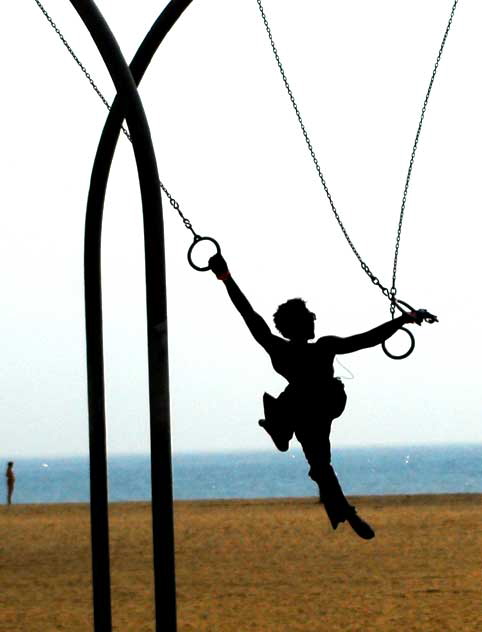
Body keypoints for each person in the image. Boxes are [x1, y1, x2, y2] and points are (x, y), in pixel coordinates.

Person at [209, 252, 430, 540]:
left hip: (310, 410)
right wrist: (404, 319)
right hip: (319, 408)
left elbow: (248, 314)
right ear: (301, 324)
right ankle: (342, 511)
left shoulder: (281, 349)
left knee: (295, 418)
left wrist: (225, 278)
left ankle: (280, 429)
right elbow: (366, 339)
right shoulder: (322, 347)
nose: (315, 321)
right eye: (310, 318)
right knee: (319, 463)